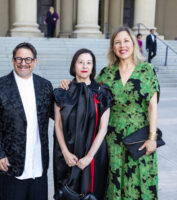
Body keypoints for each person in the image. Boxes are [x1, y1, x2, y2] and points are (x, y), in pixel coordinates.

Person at [60, 26, 160, 200]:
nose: (122, 45)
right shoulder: (106, 74)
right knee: (114, 186)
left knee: (140, 184)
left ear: (134, 44)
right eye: (117, 42)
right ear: (113, 47)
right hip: (112, 142)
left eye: (126, 41)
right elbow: (88, 88)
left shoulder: (147, 70)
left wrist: (152, 138)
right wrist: (69, 84)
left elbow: (153, 107)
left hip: (139, 140)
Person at [0, 42, 54, 200]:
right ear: (13, 61)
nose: (23, 63)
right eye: (19, 59)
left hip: (38, 165)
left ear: (35, 62)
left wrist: (70, 89)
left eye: (28, 59)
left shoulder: (45, 86)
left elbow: (58, 114)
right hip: (10, 164)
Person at [53, 49, 113, 199]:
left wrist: (89, 157)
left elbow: (103, 128)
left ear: (93, 67)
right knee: (67, 194)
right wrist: (66, 153)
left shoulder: (102, 93)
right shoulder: (62, 92)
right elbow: (58, 126)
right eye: (81, 62)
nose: (85, 66)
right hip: (67, 153)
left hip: (94, 153)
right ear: (74, 65)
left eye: (89, 62)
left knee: (92, 194)